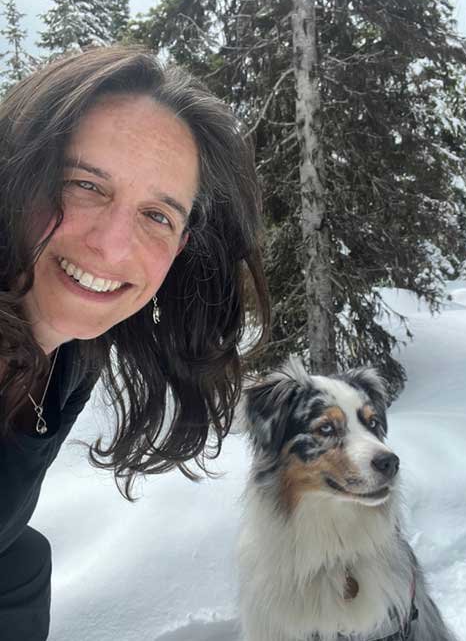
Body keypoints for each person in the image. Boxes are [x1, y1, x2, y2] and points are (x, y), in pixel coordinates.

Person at [0, 45, 270, 641]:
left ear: (180, 248)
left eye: (157, 216)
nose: (113, 245)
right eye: (84, 185)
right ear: (17, 176)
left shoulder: (72, 356)